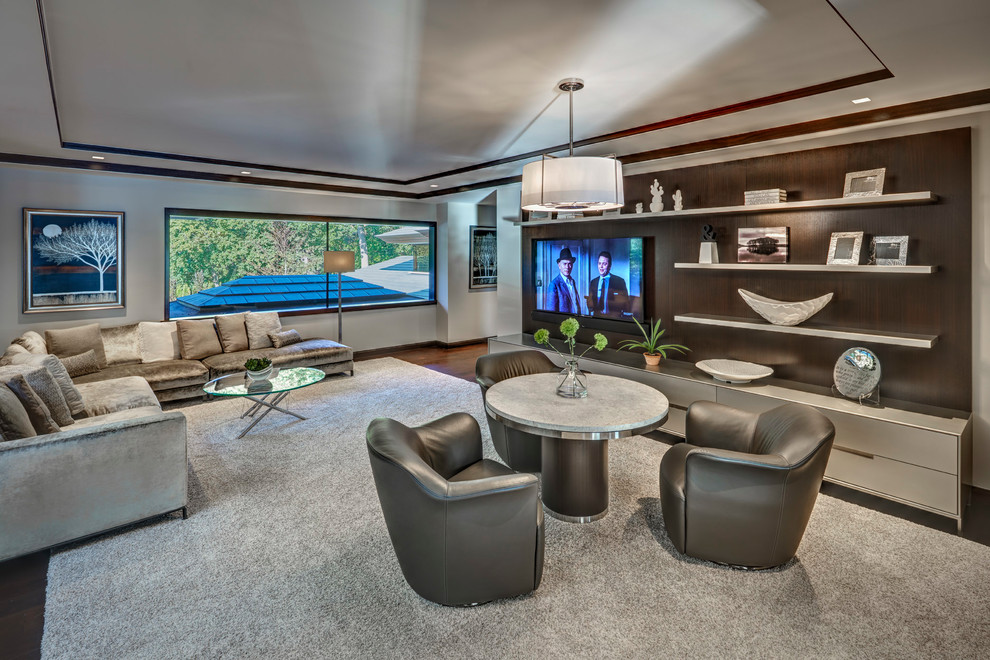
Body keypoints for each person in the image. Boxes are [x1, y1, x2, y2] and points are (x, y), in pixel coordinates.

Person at [588, 251, 628, 317]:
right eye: (599, 263)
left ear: (609, 266)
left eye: (604, 264)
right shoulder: (593, 282)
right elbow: (590, 303)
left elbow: (625, 303)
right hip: (597, 319)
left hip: (613, 320)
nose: (601, 266)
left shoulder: (619, 282)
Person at [546, 247, 585, 315]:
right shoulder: (554, 284)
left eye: (570, 264)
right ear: (559, 265)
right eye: (564, 264)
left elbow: (576, 304)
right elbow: (551, 314)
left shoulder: (572, 281)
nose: (567, 267)